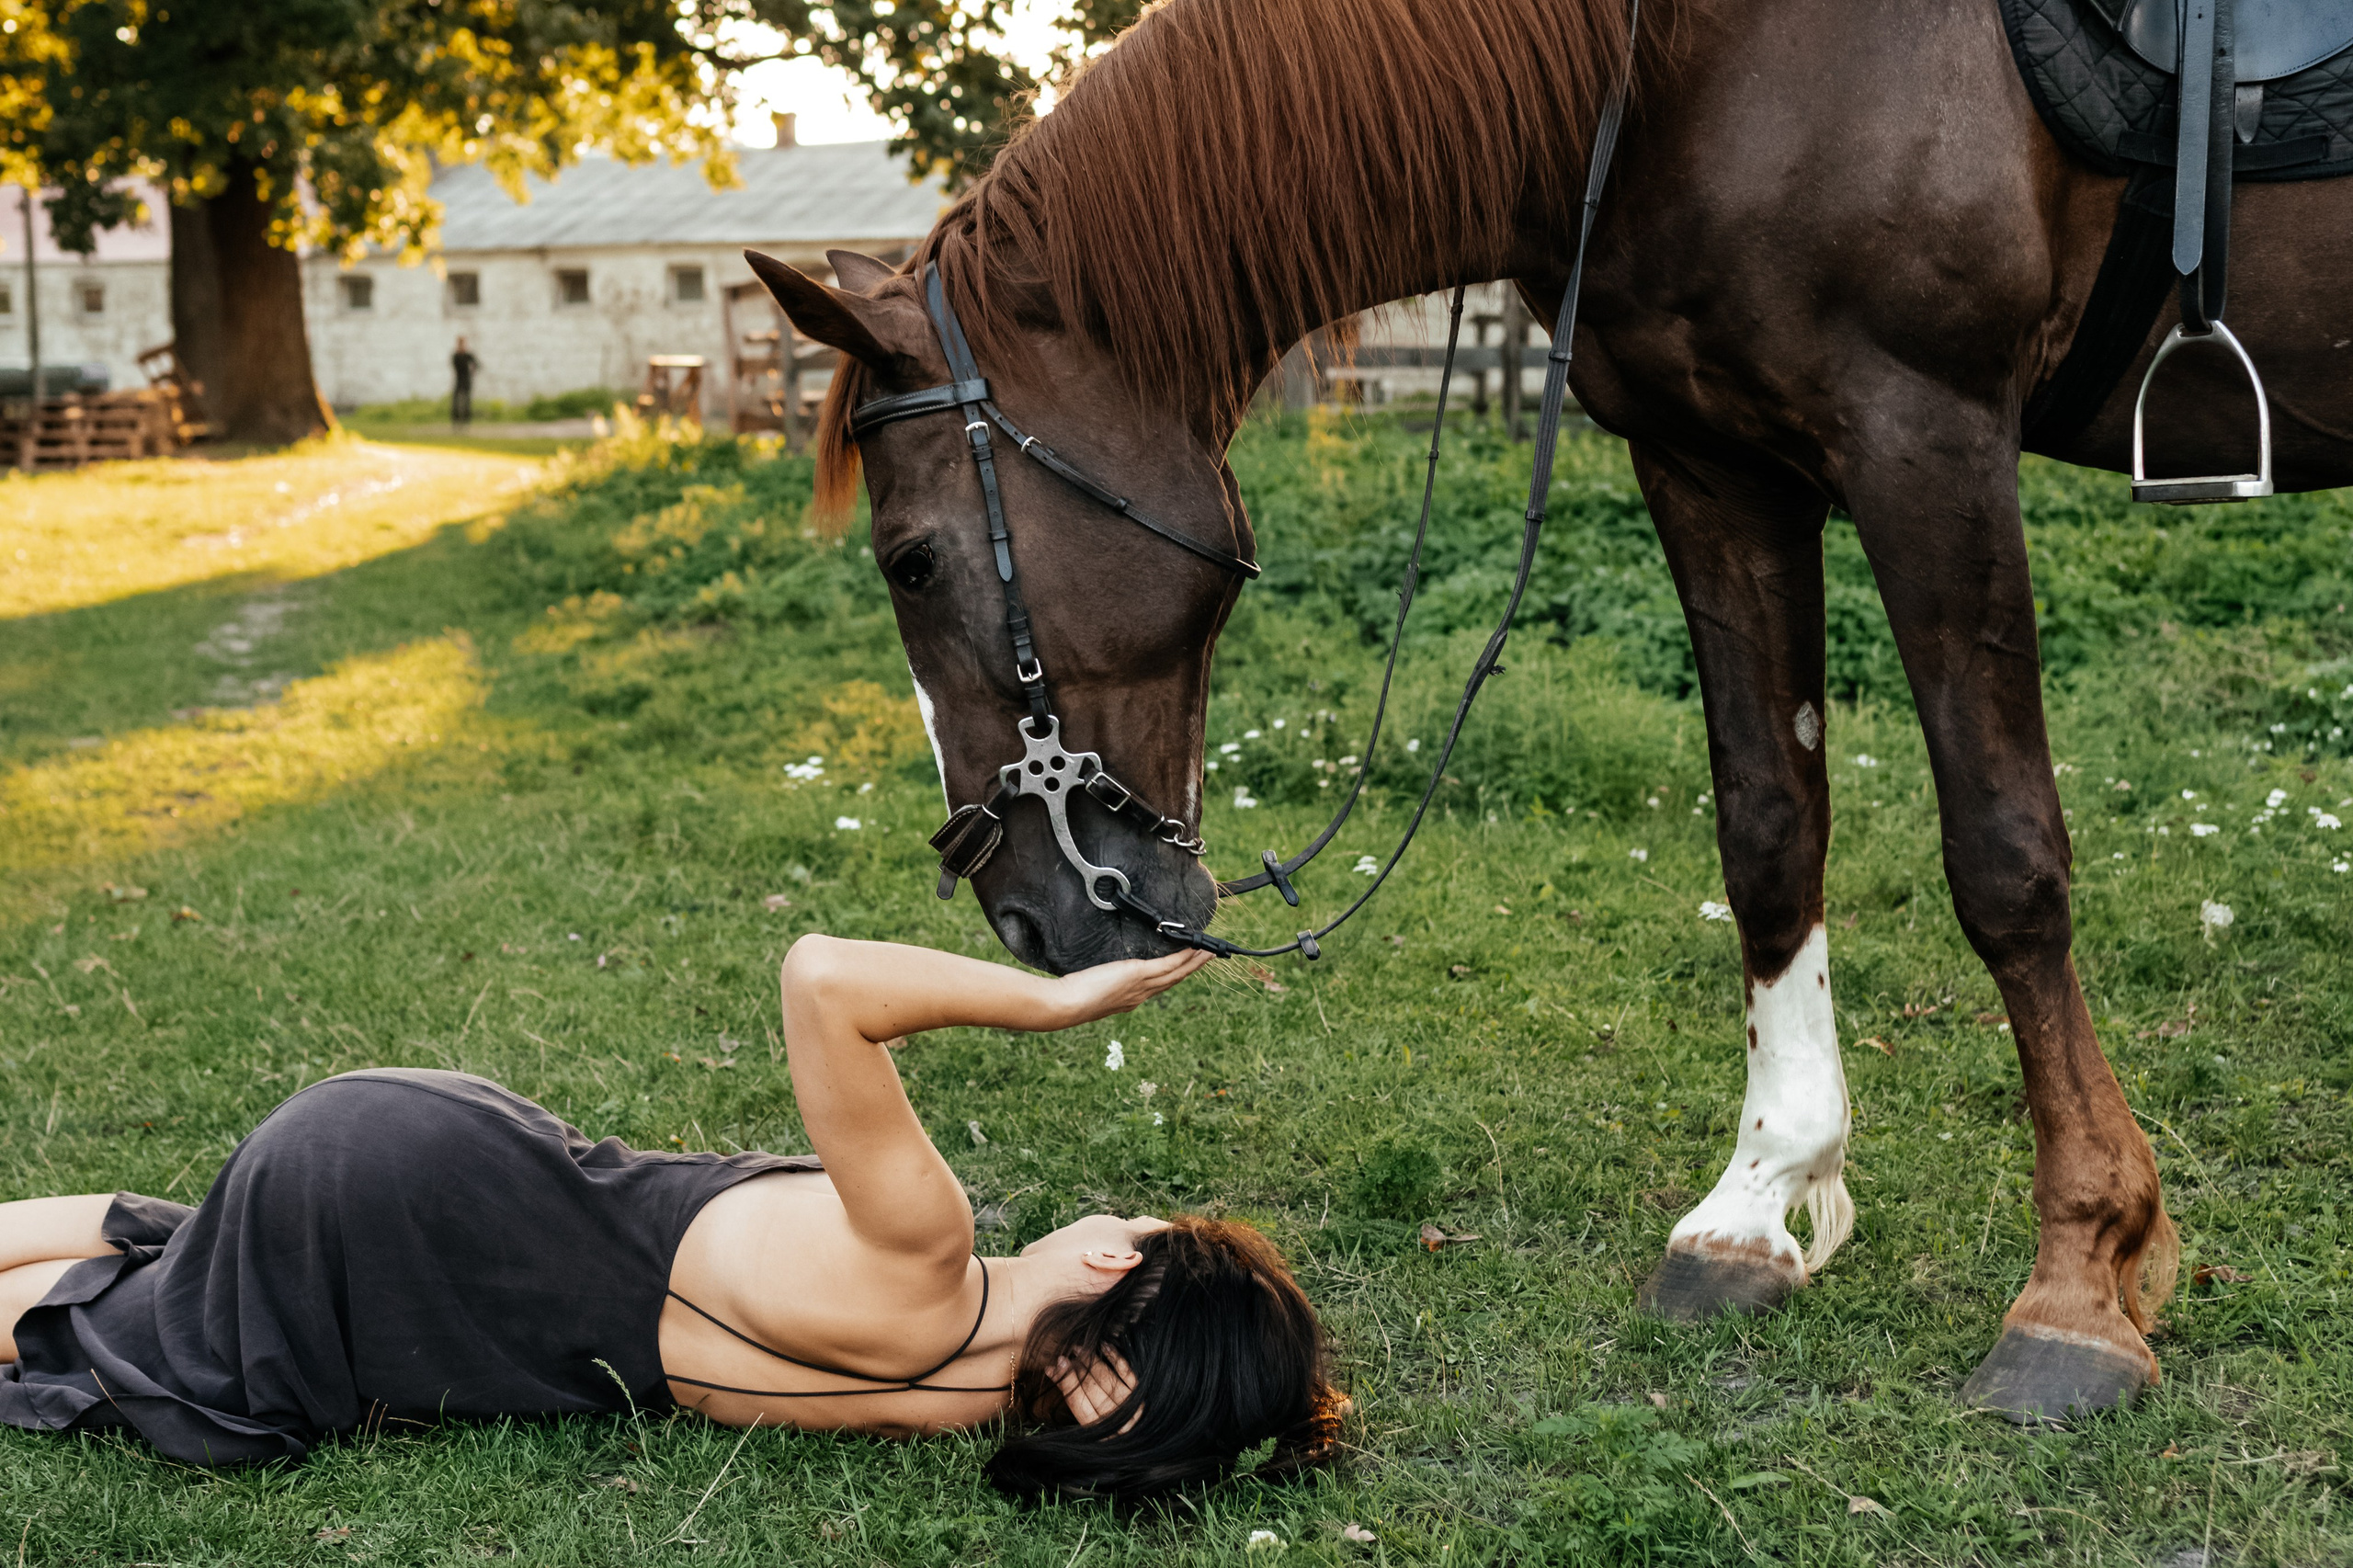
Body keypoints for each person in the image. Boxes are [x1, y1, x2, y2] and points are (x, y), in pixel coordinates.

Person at [0, 938, 1339, 1498]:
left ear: (1114, 1258)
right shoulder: (951, 1396)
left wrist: (1059, 998)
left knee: (107, 1317)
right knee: (157, 1293)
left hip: (412, 1187)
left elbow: (821, 977)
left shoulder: (929, 1255)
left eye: (1140, 1220)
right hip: (421, 1218)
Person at [449, 337, 479, 426]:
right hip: (459, 379)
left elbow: (477, 364)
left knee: (467, 402)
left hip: (466, 379)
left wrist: (472, 372)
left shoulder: (468, 355)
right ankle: (456, 421)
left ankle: (466, 421)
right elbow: (454, 366)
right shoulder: (456, 355)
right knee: (455, 402)